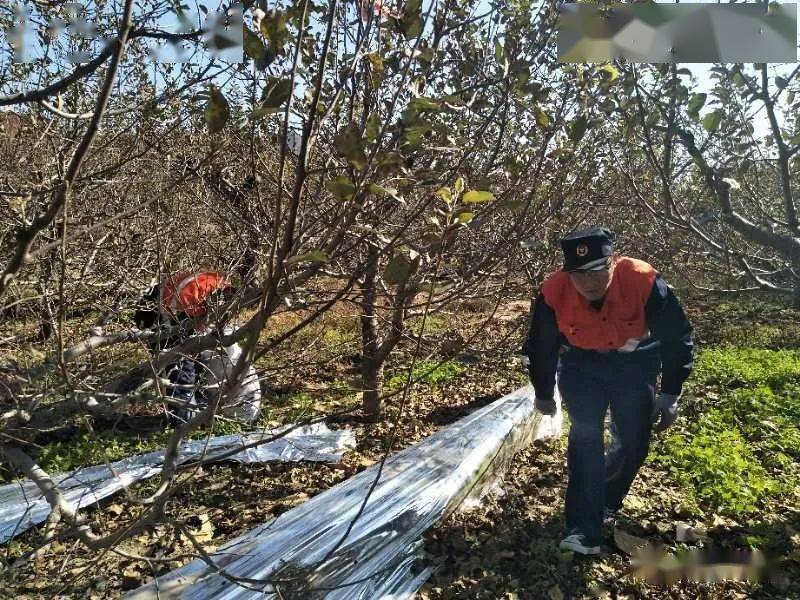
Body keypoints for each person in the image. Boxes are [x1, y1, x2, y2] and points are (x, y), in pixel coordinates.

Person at [525, 227, 693, 555]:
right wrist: (543, 391)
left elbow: (677, 337)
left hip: (635, 364)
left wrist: (671, 392)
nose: (589, 282)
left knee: (633, 442)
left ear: (614, 262)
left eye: (597, 270)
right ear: (566, 272)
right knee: (585, 438)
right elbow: (541, 346)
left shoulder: (643, 281)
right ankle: (582, 529)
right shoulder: (553, 291)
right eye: (578, 274)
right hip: (581, 364)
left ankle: (606, 500)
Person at [133, 269, 261, 424]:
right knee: (202, 361)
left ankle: (187, 418)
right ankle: (196, 413)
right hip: (197, 310)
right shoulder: (205, 282)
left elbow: (182, 366)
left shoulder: (177, 306)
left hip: (238, 411)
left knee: (181, 367)